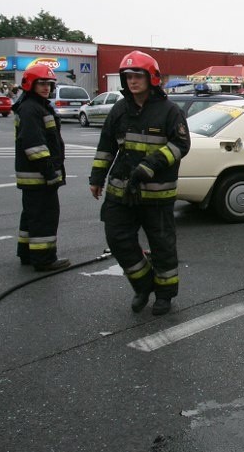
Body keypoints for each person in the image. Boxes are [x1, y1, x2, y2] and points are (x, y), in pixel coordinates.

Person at [89, 51, 191, 316]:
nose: (133, 81)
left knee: (162, 245)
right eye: (129, 76)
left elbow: (181, 144)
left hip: (156, 193)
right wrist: (96, 178)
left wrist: (149, 166)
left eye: (138, 76)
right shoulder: (120, 109)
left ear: (151, 78)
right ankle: (143, 284)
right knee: (117, 238)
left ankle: (165, 294)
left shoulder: (170, 111)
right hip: (121, 190)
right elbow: (106, 147)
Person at [13, 64, 70, 271]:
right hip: (39, 175)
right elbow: (35, 146)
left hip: (33, 176)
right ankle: (44, 259)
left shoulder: (34, 105)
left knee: (31, 215)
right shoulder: (32, 108)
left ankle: (27, 253)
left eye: (48, 83)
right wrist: (50, 172)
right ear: (31, 84)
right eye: (41, 83)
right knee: (45, 216)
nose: (46, 87)